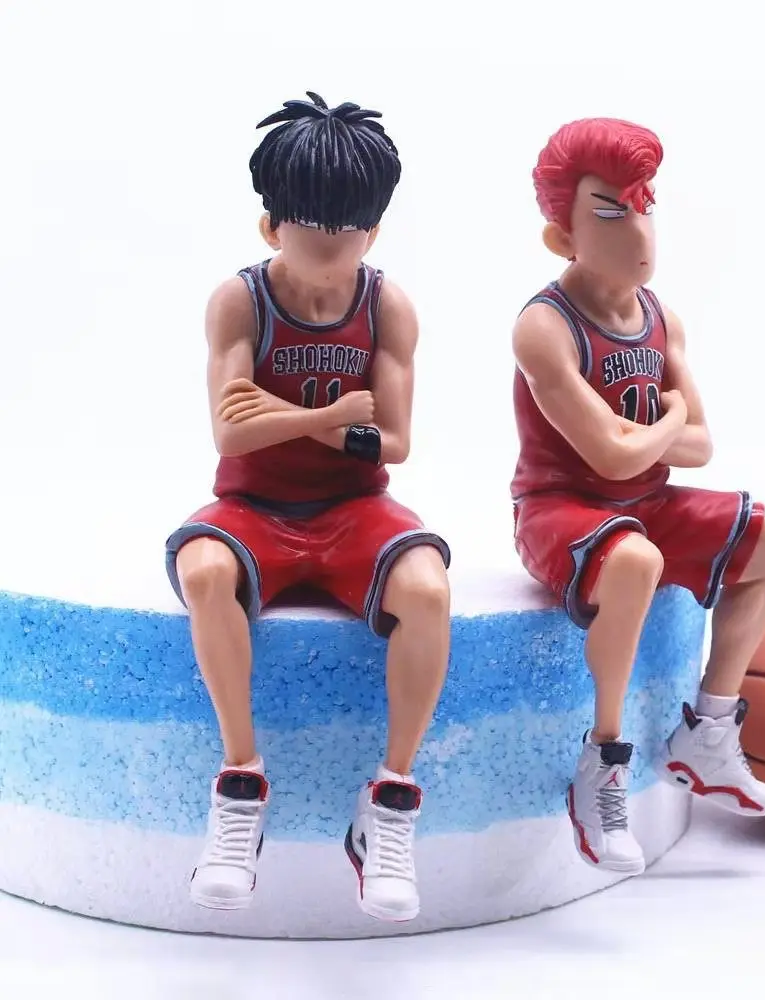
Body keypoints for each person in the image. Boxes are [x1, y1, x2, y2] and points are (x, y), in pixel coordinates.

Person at [165, 93, 451, 922]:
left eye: (348, 232)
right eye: (312, 230)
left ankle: (390, 799)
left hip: (354, 508)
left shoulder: (387, 305)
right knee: (205, 571)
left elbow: (392, 442)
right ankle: (241, 782)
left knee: (428, 590)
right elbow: (230, 430)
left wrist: (283, 415)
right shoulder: (239, 300)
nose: (331, 249)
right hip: (253, 504)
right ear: (271, 228)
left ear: (374, 232)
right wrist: (331, 418)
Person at [510, 117, 765, 875]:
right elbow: (608, 455)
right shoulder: (544, 326)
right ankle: (603, 762)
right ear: (562, 236)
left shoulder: (659, 316)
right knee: (635, 561)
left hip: (644, 506)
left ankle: (708, 730)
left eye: (645, 205)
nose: (638, 230)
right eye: (611, 211)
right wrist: (666, 424)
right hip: (559, 510)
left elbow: (699, 445)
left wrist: (652, 431)